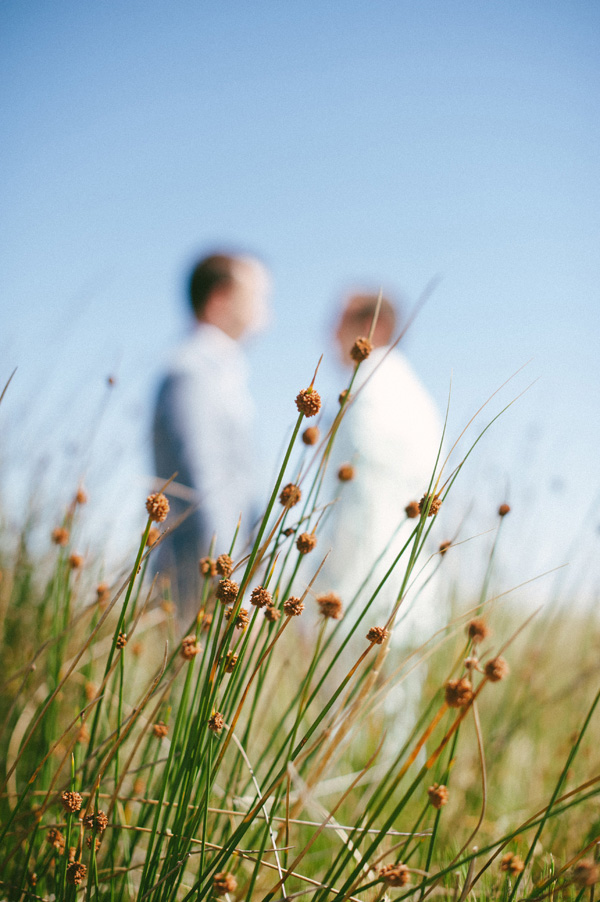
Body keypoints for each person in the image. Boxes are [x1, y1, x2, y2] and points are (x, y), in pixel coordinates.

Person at [152, 252, 270, 622]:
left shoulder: (222, 370)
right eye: (258, 296)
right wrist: (227, 580)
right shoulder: (191, 370)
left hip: (223, 575)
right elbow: (201, 480)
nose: (267, 309)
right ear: (220, 298)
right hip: (201, 581)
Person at [322, 292, 444, 648]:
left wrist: (326, 582)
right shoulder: (415, 394)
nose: (328, 335)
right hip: (410, 591)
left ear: (372, 327)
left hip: (362, 598)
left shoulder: (367, 391)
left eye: (338, 323)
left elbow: (356, 501)